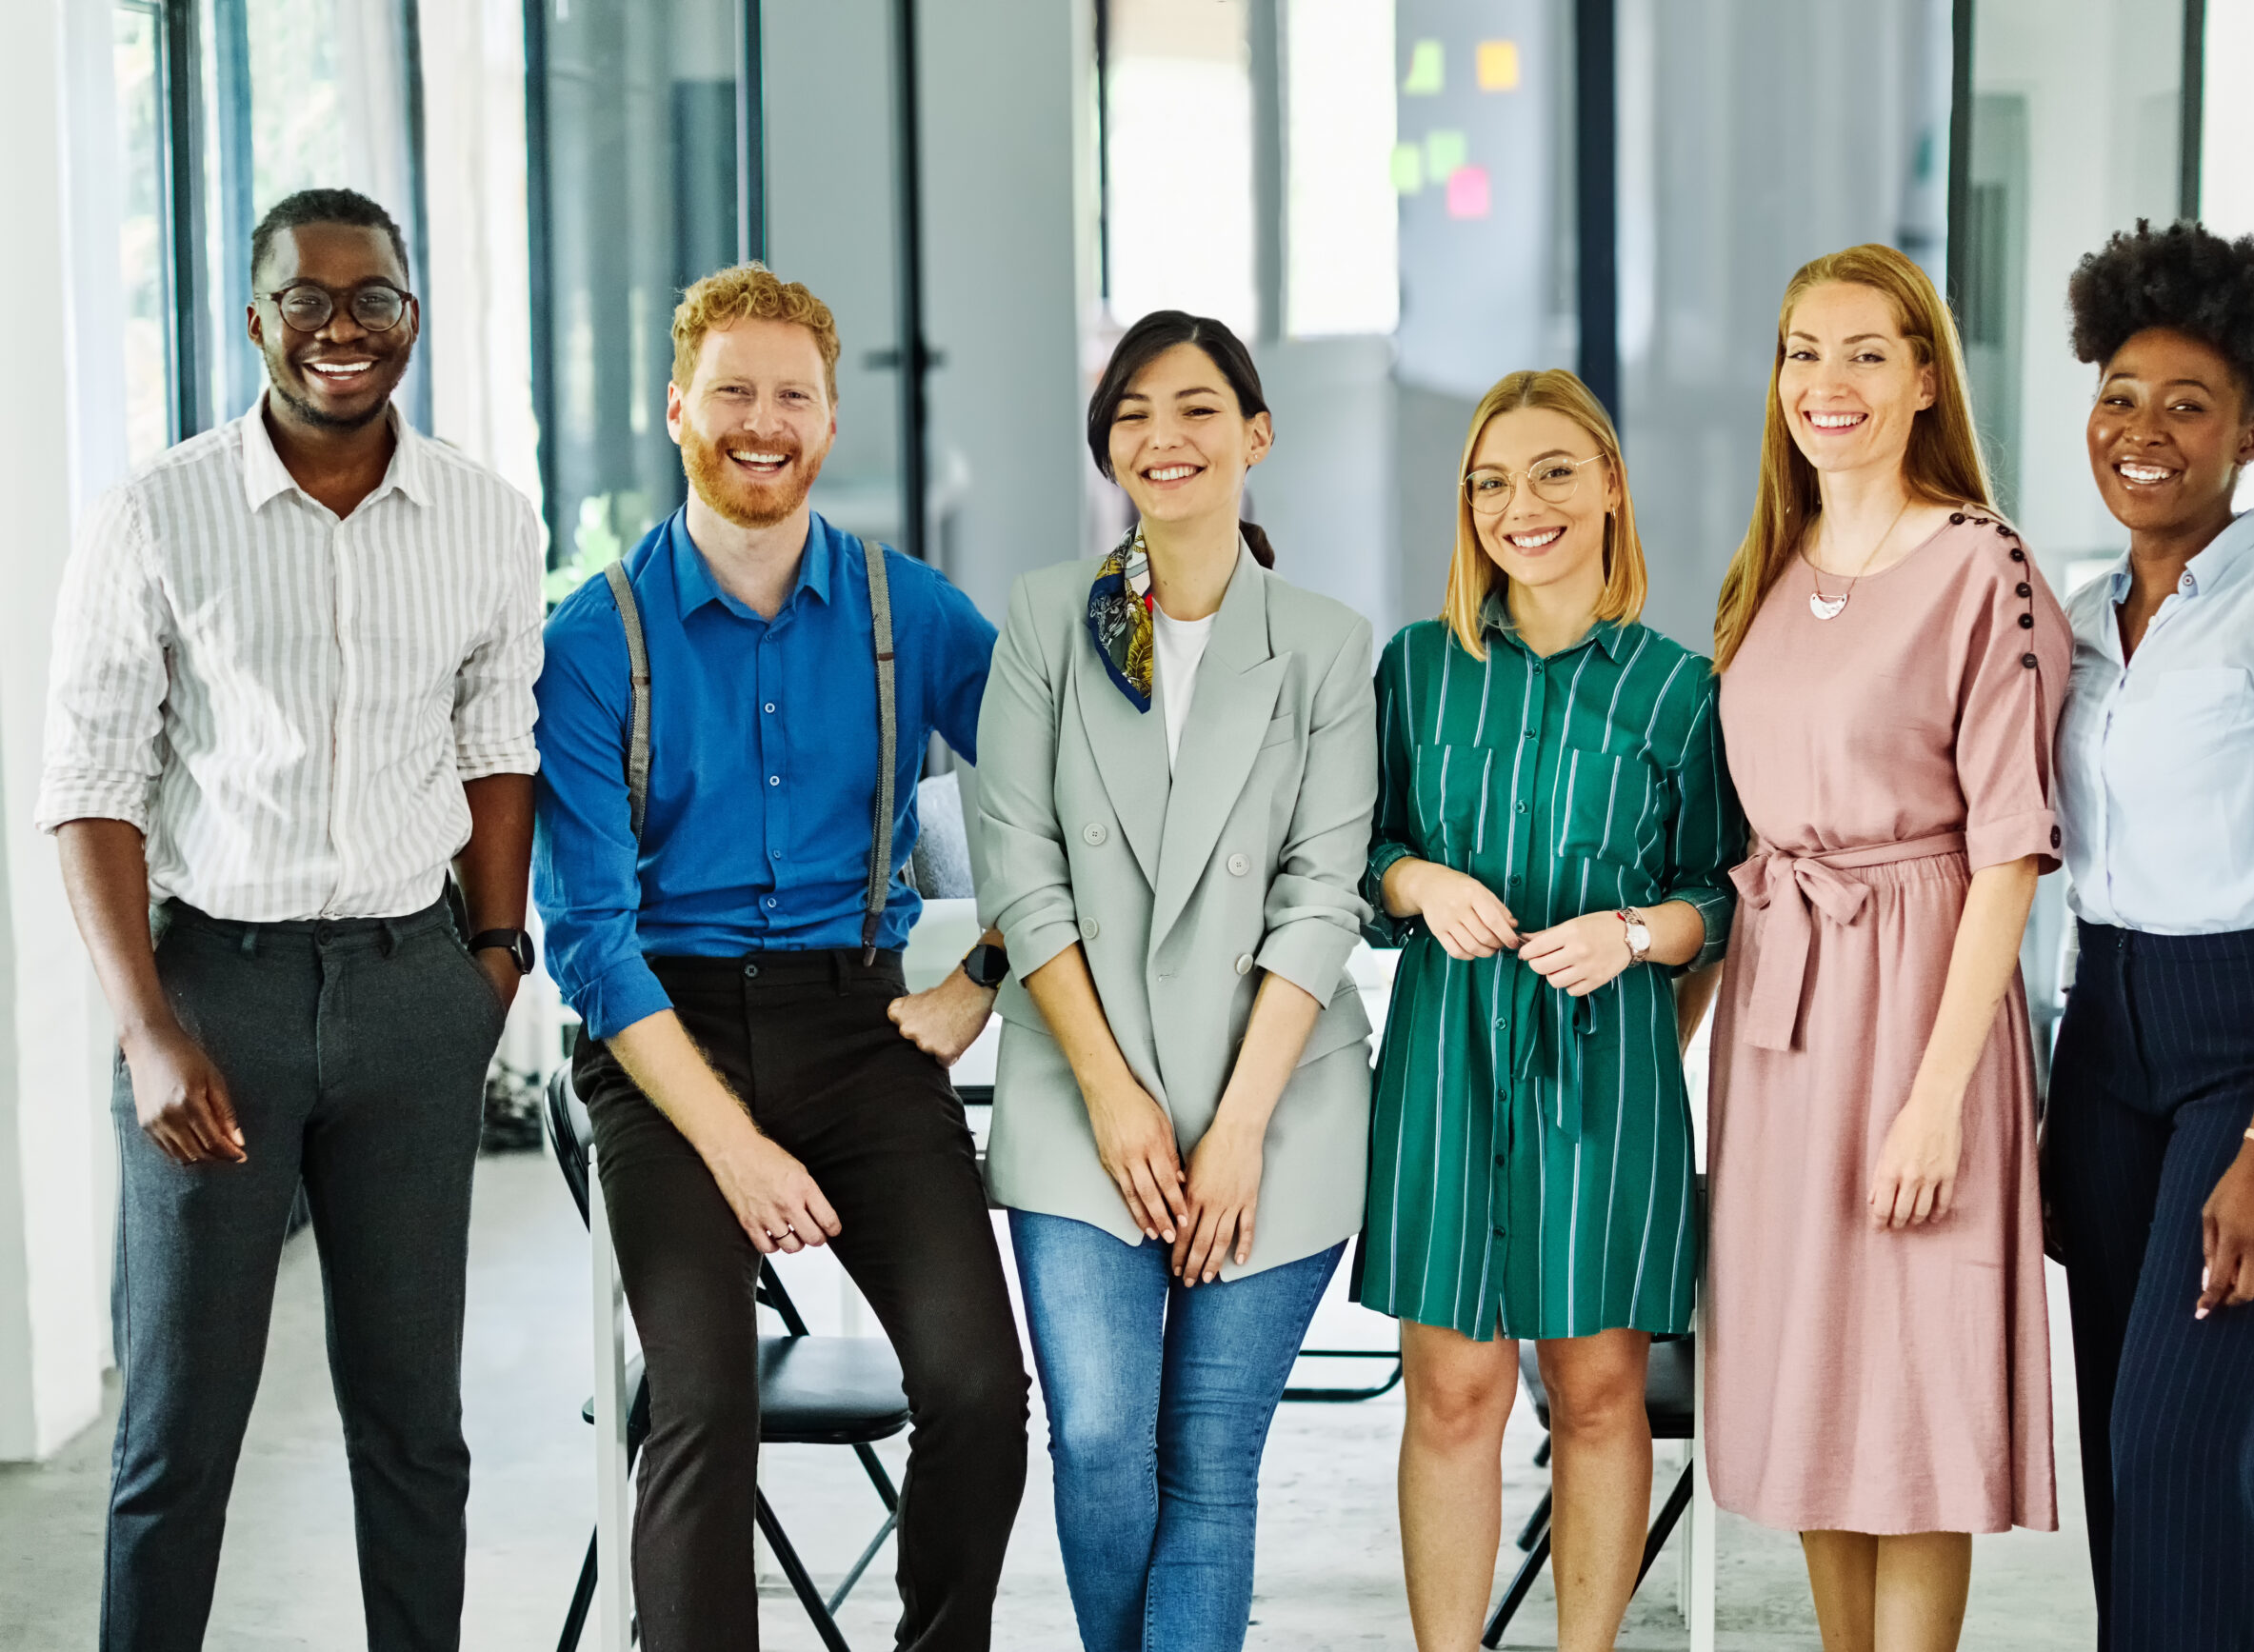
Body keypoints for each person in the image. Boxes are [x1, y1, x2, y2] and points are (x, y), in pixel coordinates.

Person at [41, 189, 541, 1652]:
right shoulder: (156, 515)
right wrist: (146, 1031)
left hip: (409, 990)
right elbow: (90, 784)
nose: (341, 328)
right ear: (254, 319)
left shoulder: (484, 520)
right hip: (218, 1001)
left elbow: (495, 748)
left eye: (372, 298)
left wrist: (492, 965)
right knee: (176, 1440)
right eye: (307, 301)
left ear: (412, 315)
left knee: (412, 1432)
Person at [532, 264, 1027, 1652]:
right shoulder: (591, 642)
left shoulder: (906, 612)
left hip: (859, 1029)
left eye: (793, 396)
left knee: (981, 1387)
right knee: (701, 1400)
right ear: (677, 407)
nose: (765, 421)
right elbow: (594, 943)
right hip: (663, 1050)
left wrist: (979, 975)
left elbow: (1067, 799)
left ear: (827, 420)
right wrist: (739, 1154)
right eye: (734, 392)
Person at [971, 310, 1374, 1652]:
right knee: (1095, 1437)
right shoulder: (1049, 617)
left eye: (1199, 408)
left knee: (1207, 1459)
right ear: (1109, 452)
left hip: (1279, 1103)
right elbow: (1021, 870)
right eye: (1135, 413)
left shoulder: (1324, 642)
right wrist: (1115, 1097)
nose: (1167, 435)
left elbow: (1325, 893)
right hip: (1086, 1096)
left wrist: (1241, 1128)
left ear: (1256, 435)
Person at [1704, 243, 2063, 1652]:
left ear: (1925, 380)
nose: (1827, 382)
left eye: (1865, 352)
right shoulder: (1768, 569)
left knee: (1909, 1400)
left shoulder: (1988, 566)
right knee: (1814, 1387)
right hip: (1783, 1024)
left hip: (1923, 1005)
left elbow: (2012, 850)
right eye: (1802, 350)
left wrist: (1934, 1096)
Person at [2045, 222, 2254, 1652]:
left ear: (2253, 431)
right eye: (2121, 394)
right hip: (2108, 1044)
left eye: (2188, 405)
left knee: (2181, 1449)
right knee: (2134, 1462)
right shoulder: (2077, 621)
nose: (2144, 432)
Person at [1360, 369, 1743, 1652]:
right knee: (1453, 1391)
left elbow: (1721, 902)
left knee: (1596, 1392)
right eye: (1491, 482)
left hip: (1609, 1071)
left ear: (1612, 489)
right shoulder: (1416, 669)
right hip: (1444, 1059)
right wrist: (1420, 881)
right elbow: (1363, 857)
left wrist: (1634, 935)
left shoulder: (1683, 692)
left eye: (1553, 474)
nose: (1520, 506)